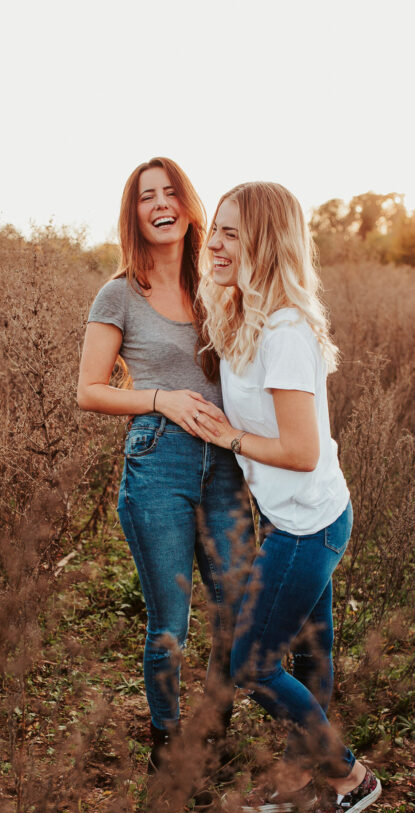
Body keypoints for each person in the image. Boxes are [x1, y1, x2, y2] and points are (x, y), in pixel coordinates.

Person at [195, 182, 381, 813]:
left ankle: (349, 778)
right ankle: (301, 773)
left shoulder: (285, 330)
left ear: (265, 244)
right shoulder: (245, 314)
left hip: (308, 523)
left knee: (251, 663)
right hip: (294, 517)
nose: (214, 243)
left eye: (230, 233)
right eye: (213, 230)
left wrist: (229, 437)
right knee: (311, 655)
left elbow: (301, 450)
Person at [77, 158, 253, 774]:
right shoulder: (119, 293)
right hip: (159, 460)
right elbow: (89, 390)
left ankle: (209, 734)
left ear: (186, 204)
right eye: (146, 196)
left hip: (227, 463)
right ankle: (168, 749)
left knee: (239, 606)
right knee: (171, 623)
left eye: (170, 192)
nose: (160, 203)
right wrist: (161, 399)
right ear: (135, 214)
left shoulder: (218, 282)